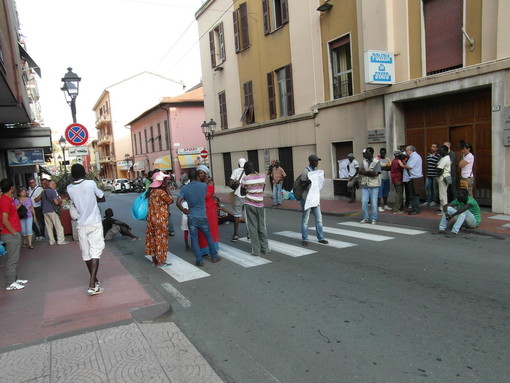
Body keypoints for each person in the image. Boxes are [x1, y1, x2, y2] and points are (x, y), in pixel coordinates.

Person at [67, 164, 106, 296]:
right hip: (94, 222)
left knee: (86, 254)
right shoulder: (90, 183)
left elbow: (74, 204)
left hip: (81, 224)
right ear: (84, 172)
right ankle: (92, 283)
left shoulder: (69, 188)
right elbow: (101, 196)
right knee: (95, 251)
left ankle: (94, 281)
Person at [177, 168, 221, 267]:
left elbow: (178, 202)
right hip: (202, 215)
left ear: (188, 177)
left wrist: (184, 210)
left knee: (194, 238)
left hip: (191, 216)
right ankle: (214, 256)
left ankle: (199, 260)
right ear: (197, 176)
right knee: (208, 236)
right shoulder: (203, 186)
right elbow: (207, 196)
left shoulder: (184, 188)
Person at [0, 179, 28, 291]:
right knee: (12, 259)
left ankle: (14, 279)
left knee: (14, 257)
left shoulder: (7, 200)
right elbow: (4, 220)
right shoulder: (5, 201)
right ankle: (10, 282)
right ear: (11, 187)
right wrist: (14, 232)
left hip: (12, 232)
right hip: (10, 234)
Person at [240, 161, 270, 256]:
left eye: (245, 169)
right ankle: (265, 248)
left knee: (252, 227)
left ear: (248, 169)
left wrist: (249, 190)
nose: (245, 171)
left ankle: (256, 251)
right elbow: (262, 189)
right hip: (260, 204)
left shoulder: (245, 179)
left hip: (249, 204)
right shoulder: (262, 176)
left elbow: (242, 193)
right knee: (262, 226)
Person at [145, 171, 174, 267]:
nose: (166, 182)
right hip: (160, 219)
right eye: (165, 180)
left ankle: (154, 261)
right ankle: (160, 262)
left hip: (151, 218)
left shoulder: (151, 191)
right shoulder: (161, 192)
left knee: (152, 238)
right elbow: (170, 200)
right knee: (161, 239)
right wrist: (167, 189)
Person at [300, 154, 328, 246]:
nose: (317, 163)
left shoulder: (316, 171)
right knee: (305, 220)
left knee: (319, 219)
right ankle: (305, 239)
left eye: (317, 161)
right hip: (307, 198)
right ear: (311, 161)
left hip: (315, 198)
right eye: (315, 161)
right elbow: (302, 184)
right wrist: (309, 181)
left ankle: (321, 238)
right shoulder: (306, 171)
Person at [196, 165, 219, 258]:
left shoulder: (210, 183)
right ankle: (203, 250)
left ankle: (212, 249)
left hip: (209, 208)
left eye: (201, 173)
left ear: (206, 174)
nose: (200, 175)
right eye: (198, 173)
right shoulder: (198, 183)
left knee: (211, 229)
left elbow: (207, 196)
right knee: (201, 230)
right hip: (200, 208)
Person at [41, 180, 68, 245]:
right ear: (52, 185)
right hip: (52, 210)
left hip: (45, 211)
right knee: (58, 226)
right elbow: (56, 202)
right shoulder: (52, 191)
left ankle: (51, 241)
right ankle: (60, 240)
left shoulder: (43, 192)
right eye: (54, 185)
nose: (55, 187)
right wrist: (60, 201)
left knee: (49, 227)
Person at [359, 147, 381, 224]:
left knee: (374, 203)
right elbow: (360, 171)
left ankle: (374, 218)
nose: (365, 154)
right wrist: (369, 172)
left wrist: (366, 172)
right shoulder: (364, 161)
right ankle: (366, 218)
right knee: (364, 202)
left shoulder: (376, 161)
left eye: (367, 153)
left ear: (371, 153)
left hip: (374, 185)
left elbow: (376, 174)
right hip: (365, 184)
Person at [401, 145, 423, 215]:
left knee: (414, 195)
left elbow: (409, 167)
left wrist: (402, 165)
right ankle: (415, 208)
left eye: (407, 151)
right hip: (416, 177)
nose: (406, 152)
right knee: (415, 194)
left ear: (410, 150)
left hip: (414, 178)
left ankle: (415, 209)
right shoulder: (416, 156)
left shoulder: (414, 157)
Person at [229, 158, 247, 241]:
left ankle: (235, 234)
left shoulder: (235, 171)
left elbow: (230, 183)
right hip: (247, 196)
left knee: (237, 215)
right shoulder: (248, 170)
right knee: (247, 215)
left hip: (238, 195)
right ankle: (249, 233)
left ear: (238, 164)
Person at [436, 145, 452, 213]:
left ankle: (444, 209)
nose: (440, 151)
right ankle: (442, 207)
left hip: (443, 177)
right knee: (443, 193)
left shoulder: (445, 158)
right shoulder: (444, 158)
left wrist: (436, 170)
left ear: (445, 151)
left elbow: (439, 168)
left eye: (441, 150)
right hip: (445, 176)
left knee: (442, 194)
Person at [423, 143, 440, 207]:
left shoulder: (438, 156)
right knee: (427, 187)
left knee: (435, 189)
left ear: (436, 148)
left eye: (433, 147)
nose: (431, 148)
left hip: (435, 174)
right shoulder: (428, 155)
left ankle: (434, 201)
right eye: (431, 146)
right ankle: (428, 201)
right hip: (428, 174)